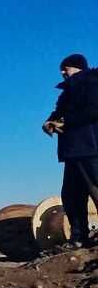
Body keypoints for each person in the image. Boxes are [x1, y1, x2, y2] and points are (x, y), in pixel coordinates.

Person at [42, 53, 98, 248]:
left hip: (90, 147)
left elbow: (93, 110)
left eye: (66, 67)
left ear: (78, 67)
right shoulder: (67, 92)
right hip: (72, 151)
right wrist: (49, 122)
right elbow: (58, 112)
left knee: (96, 189)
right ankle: (78, 237)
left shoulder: (92, 82)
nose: (62, 71)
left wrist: (65, 122)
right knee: (71, 195)